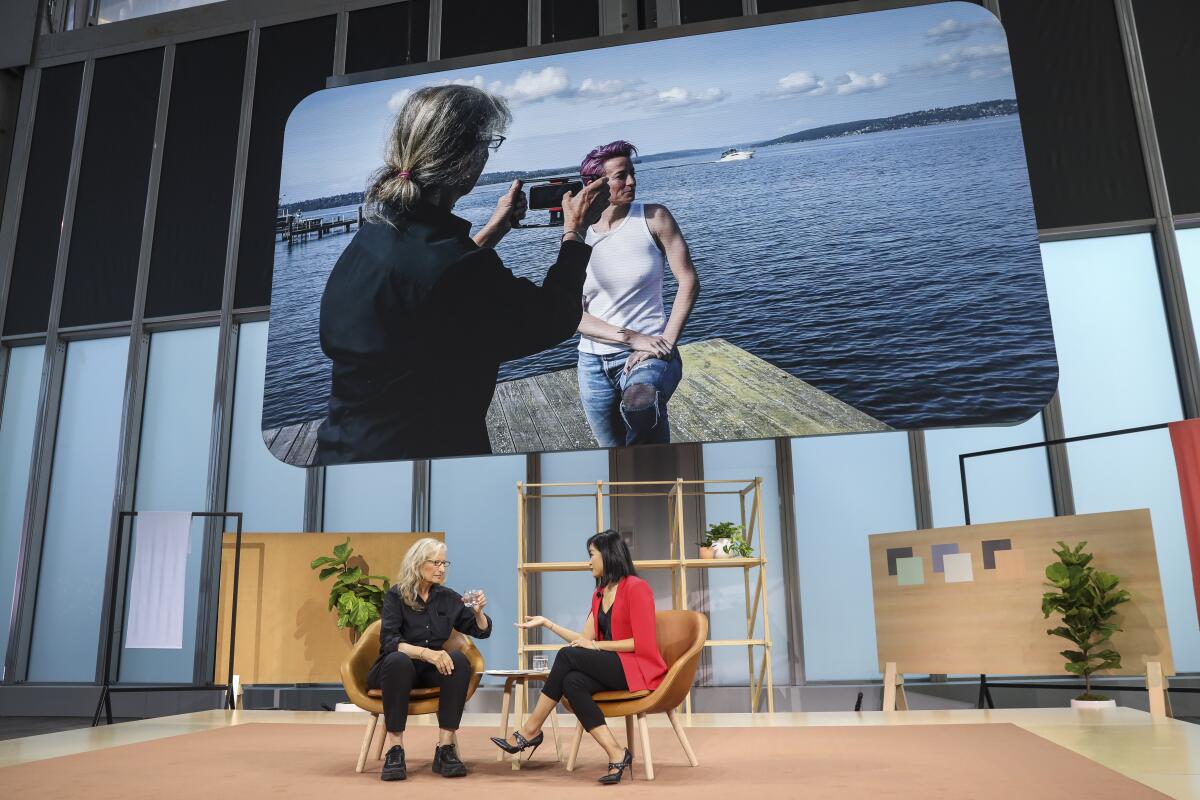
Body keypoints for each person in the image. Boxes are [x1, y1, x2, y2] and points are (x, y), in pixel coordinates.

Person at [316, 85, 609, 463]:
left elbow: (432, 289)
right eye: (488, 142)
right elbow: (553, 318)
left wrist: (493, 231)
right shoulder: (455, 267)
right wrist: (575, 231)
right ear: (464, 159)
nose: (489, 153)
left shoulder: (377, 232)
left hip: (344, 446)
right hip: (422, 461)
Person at [491, 530, 666, 785]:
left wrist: (596, 647)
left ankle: (530, 730)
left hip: (638, 668)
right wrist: (548, 623)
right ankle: (616, 752)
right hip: (614, 667)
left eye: (591, 555)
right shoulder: (599, 594)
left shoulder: (637, 588)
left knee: (567, 657)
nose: (588, 561)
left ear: (607, 554)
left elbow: (642, 643)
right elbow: (581, 640)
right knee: (572, 682)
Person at [574, 140, 699, 447]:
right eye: (620, 175)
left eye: (631, 172)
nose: (631, 181)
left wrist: (665, 342)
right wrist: (629, 337)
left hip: (649, 353)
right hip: (592, 363)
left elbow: (688, 281)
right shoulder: (577, 233)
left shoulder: (654, 217)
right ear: (595, 184)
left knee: (642, 410)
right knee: (613, 454)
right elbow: (570, 313)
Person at [369, 538, 492, 781]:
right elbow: (390, 641)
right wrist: (428, 653)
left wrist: (478, 614)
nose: (442, 568)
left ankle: (445, 749)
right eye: (435, 563)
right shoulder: (396, 595)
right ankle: (395, 750)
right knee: (397, 660)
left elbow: (481, 631)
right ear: (417, 564)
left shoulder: (448, 598)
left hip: (429, 671)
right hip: (396, 669)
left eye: (444, 563)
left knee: (457, 660)